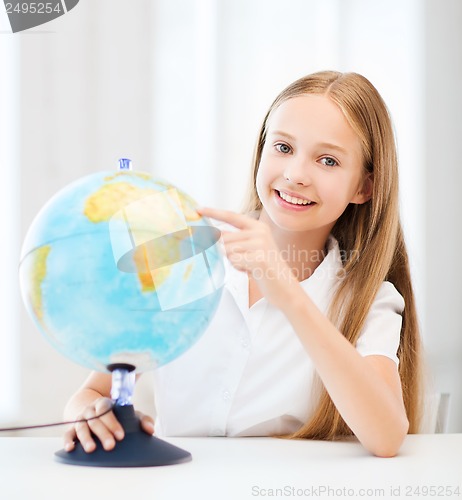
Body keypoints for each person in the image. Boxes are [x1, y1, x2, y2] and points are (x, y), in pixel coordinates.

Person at [63, 70, 423, 458]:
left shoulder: (368, 299)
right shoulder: (183, 256)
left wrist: (287, 293)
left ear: (364, 187)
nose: (296, 174)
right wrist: (86, 414)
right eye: (283, 148)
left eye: (328, 160)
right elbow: (93, 391)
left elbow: (386, 436)